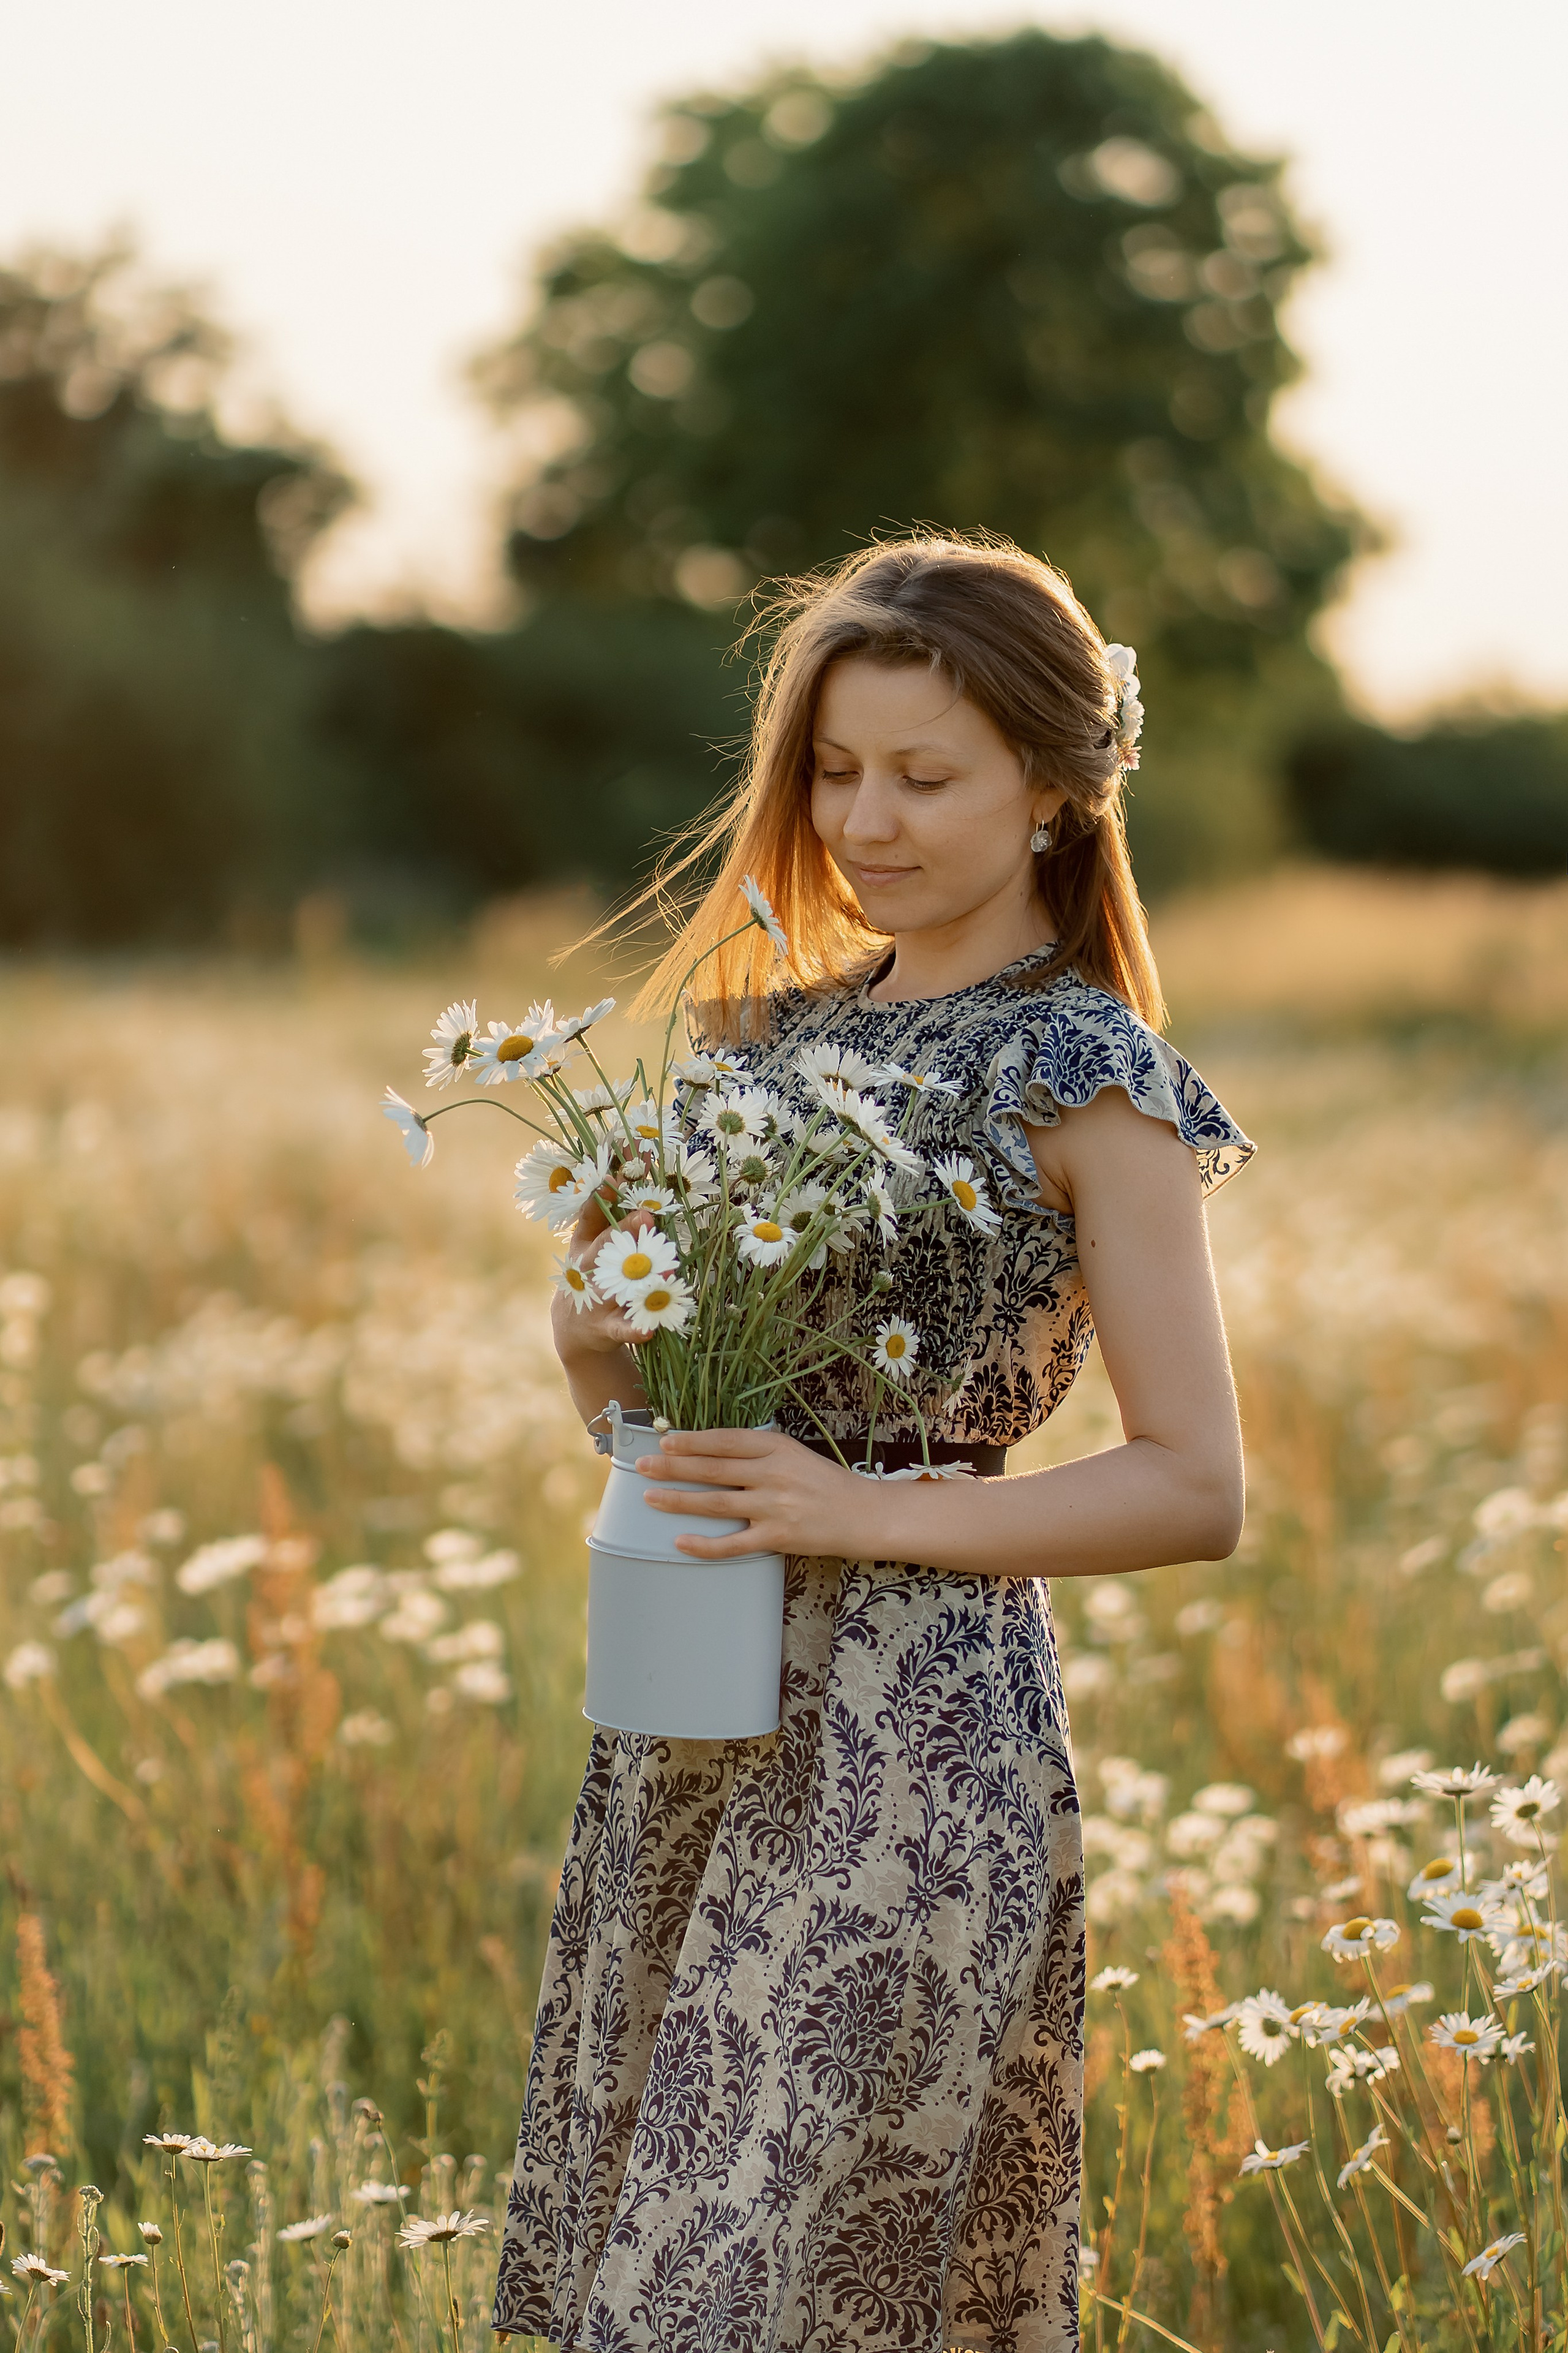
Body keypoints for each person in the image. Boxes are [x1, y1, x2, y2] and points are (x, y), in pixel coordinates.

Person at [491, 535, 1254, 2353]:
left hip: (919, 1751)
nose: (867, 820)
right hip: (689, 1713)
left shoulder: (1087, 1069)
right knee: (650, 2272)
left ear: (1059, 787)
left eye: (926, 774)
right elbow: (677, 1429)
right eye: (835, 770)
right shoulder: (758, 1044)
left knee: (769, 2292)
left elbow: (1197, 1484)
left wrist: (863, 1506)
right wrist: (597, 1356)